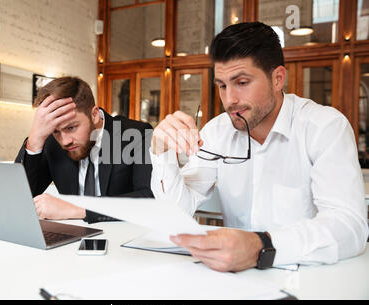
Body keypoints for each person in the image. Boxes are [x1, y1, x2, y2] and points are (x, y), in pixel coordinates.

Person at [150, 22, 368, 272]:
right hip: (236, 281)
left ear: (277, 79)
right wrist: (162, 152)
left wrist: (261, 246)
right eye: (222, 85)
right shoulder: (217, 132)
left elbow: (351, 227)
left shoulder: (324, 127)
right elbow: (176, 212)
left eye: (242, 82)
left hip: (312, 278)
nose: (230, 100)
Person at [16, 76, 154, 223]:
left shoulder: (137, 135)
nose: (65, 141)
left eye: (71, 127)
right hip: (71, 237)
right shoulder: (52, 142)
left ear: (94, 115)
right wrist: (34, 141)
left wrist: (77, 210)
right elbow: (19, 200)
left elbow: (148, 198)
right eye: (56, 131)